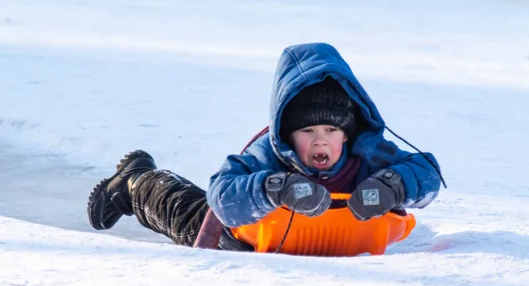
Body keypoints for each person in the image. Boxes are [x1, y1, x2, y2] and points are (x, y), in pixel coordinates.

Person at [87, 42, 442, 252]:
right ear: (289, 134)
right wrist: (275, 187)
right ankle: (136, 182)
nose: (320, 139)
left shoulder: (370, 155)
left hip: (338, 245)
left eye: (331, 129)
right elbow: (221, 194)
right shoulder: (269, 155)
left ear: (346, 134)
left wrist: (393, 185)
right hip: (247, 244)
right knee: (183, 212)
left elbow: (426, 173)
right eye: (307, 130)